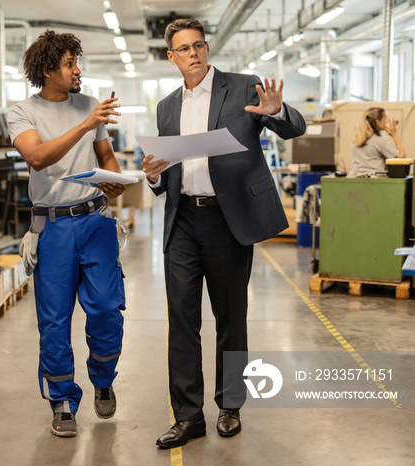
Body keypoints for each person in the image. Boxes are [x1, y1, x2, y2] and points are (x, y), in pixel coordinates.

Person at [142, 18, 306, 449]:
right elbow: (165, 173)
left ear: (207, 48)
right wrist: (154, 175)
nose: (193, 53)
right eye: (184, 48)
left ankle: (230, 404)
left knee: (231, 317)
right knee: (181, 318)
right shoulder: (166, 107)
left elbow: (295, 127)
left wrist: (278, 112)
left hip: (227, 219)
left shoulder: (244, 85)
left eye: (199, 45)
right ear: (171, 56)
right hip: (182, 220)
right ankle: (188, 416)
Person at [7, 30, 126, 438]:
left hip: (96, 221)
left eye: (77, 61)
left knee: (108, 307)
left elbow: (104, 154)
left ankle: (104, 377)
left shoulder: (90, 105)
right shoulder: (22, 111)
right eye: (69, 64)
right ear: (47, 70)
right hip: (52, 226)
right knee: (54, 321)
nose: (78, 70)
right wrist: (86, 124)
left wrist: (113, 179)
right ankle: (62, 401)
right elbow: (38, 156)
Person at [350, 107, 406, 176]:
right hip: (374, 180)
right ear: (378, 122)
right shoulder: (378, 141)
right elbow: (402, 158)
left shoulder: (356, 139)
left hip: (354, 178)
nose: (386, 122)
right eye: (385, 120)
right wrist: (394, 135)